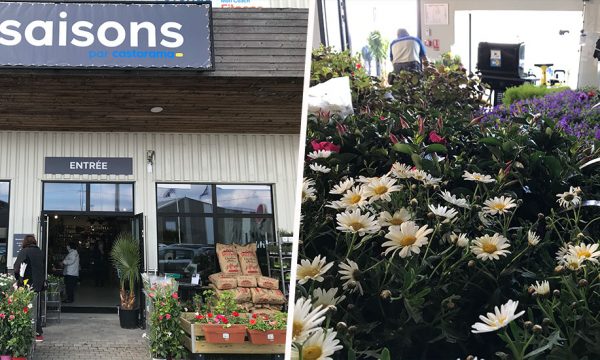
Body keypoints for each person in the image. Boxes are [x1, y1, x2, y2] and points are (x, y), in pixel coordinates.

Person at [13, 235, 45, 342]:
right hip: (39, 285)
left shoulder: (25, 251)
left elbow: (17, 268)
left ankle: (27, 333)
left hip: (27, 284)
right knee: (37, 308)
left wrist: (18, 280)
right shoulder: (40, 252)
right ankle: (38, 332)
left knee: (26, 308)